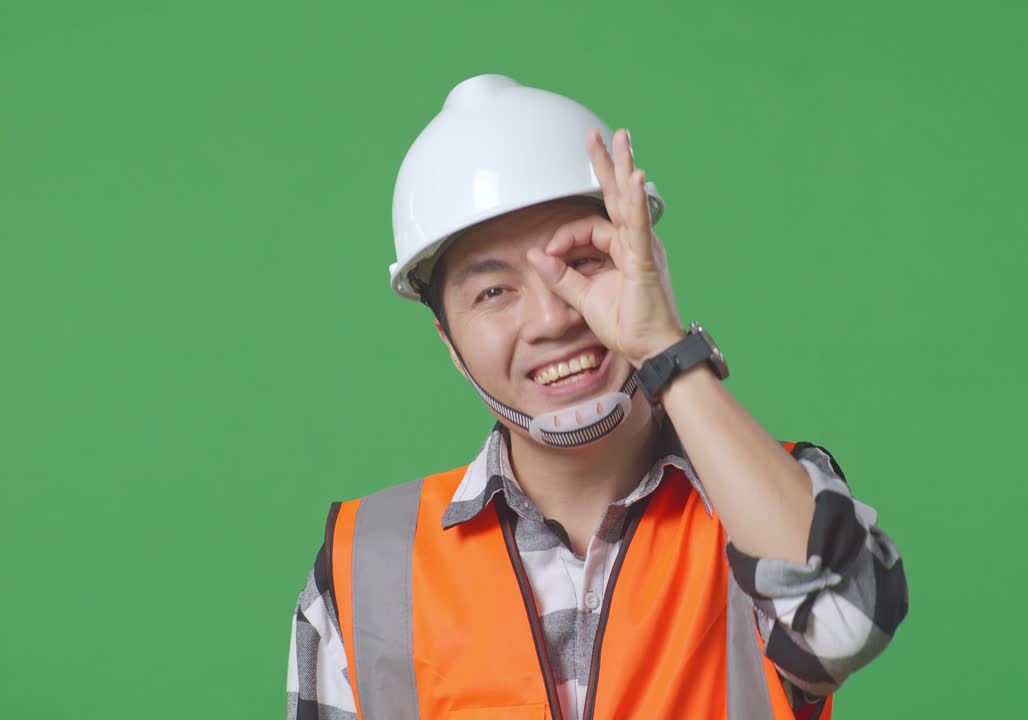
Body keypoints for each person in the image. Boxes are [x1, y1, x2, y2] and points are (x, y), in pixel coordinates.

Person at [286, 75, 908, 720]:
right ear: (448, 338)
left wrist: (663, 348)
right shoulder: (368, 560)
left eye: (582, 261)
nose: (554, 319)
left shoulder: (768, 496)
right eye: (493, 292)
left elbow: (847, 625)